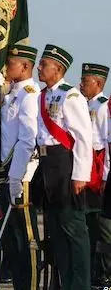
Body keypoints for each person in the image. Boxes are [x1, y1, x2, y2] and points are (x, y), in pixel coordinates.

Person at [0, 46, 41, 290]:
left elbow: (28, 139)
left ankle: (30, 284)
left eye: (12, 63)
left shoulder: (30, 94)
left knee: (26, 238)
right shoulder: (11, 95)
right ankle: (19, 283)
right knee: (11, 239)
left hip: (22, 174)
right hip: (6, 173)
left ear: (26, 66)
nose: (6, 68)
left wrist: (16, 176)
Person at [35, 44, 92, 290]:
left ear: (58, 69)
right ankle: (63, 282)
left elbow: (82, 137)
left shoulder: (71, 96)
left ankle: (80, 284)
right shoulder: (43, 96)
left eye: (44, 65)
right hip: (47, 165)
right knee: (56, 230)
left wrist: (80, 175)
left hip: (66, 165)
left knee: (73, 230)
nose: (39, 68)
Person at [78, 62, 111, 287]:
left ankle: (106, 272)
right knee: (89, 226)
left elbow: (105, 145)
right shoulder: (82, 105)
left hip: (98, 175)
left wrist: (106, 177)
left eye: (86, 81)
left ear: (98, 83)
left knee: (103, 229)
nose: (81, 84)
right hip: (86, 173)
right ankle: (93, 271)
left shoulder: (102, 107)